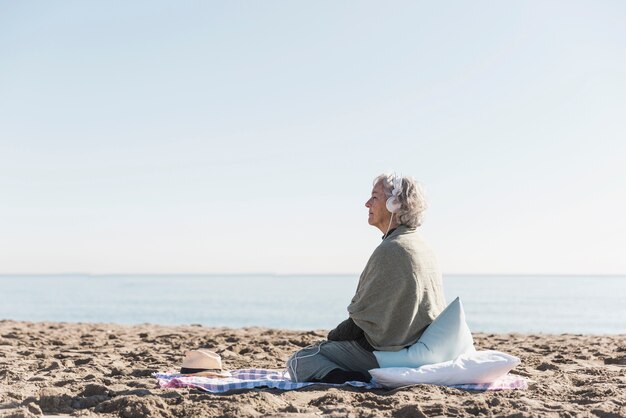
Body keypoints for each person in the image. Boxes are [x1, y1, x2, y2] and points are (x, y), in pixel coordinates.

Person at [286, 173, 446, 383]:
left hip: (390, 354)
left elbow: (360, 323)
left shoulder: (391, 249)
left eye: (374, 197)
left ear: (394, 204)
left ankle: (354, 379)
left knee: (301, 359)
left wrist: (332, 337)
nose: (367, 203)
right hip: (421, 349)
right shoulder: (422, 246)